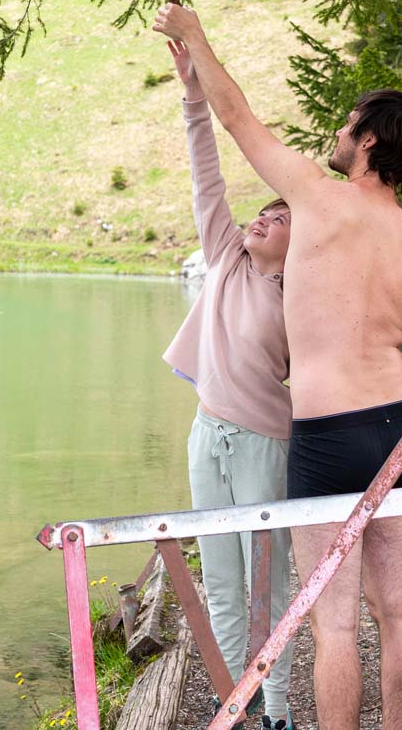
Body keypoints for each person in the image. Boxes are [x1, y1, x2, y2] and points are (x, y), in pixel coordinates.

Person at [154, 6, 402, 730]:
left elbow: (236, 117)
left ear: (369, 140)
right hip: (397, 430)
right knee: (398, 607)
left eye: (349, 125)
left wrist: (195, 37)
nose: (339, 134)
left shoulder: (316, 196)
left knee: (335, 622)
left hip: (326, 434)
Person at [161, 39, 297, 730]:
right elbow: (206, 178)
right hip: (206, 435)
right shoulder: (224, 254)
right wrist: (193, 94)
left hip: (264, 445)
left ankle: (278, 709)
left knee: (266, 584)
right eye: (263, 211)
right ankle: (231, 701)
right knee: (219, 578)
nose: (262, 217)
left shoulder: (301, 297)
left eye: (280, 217)